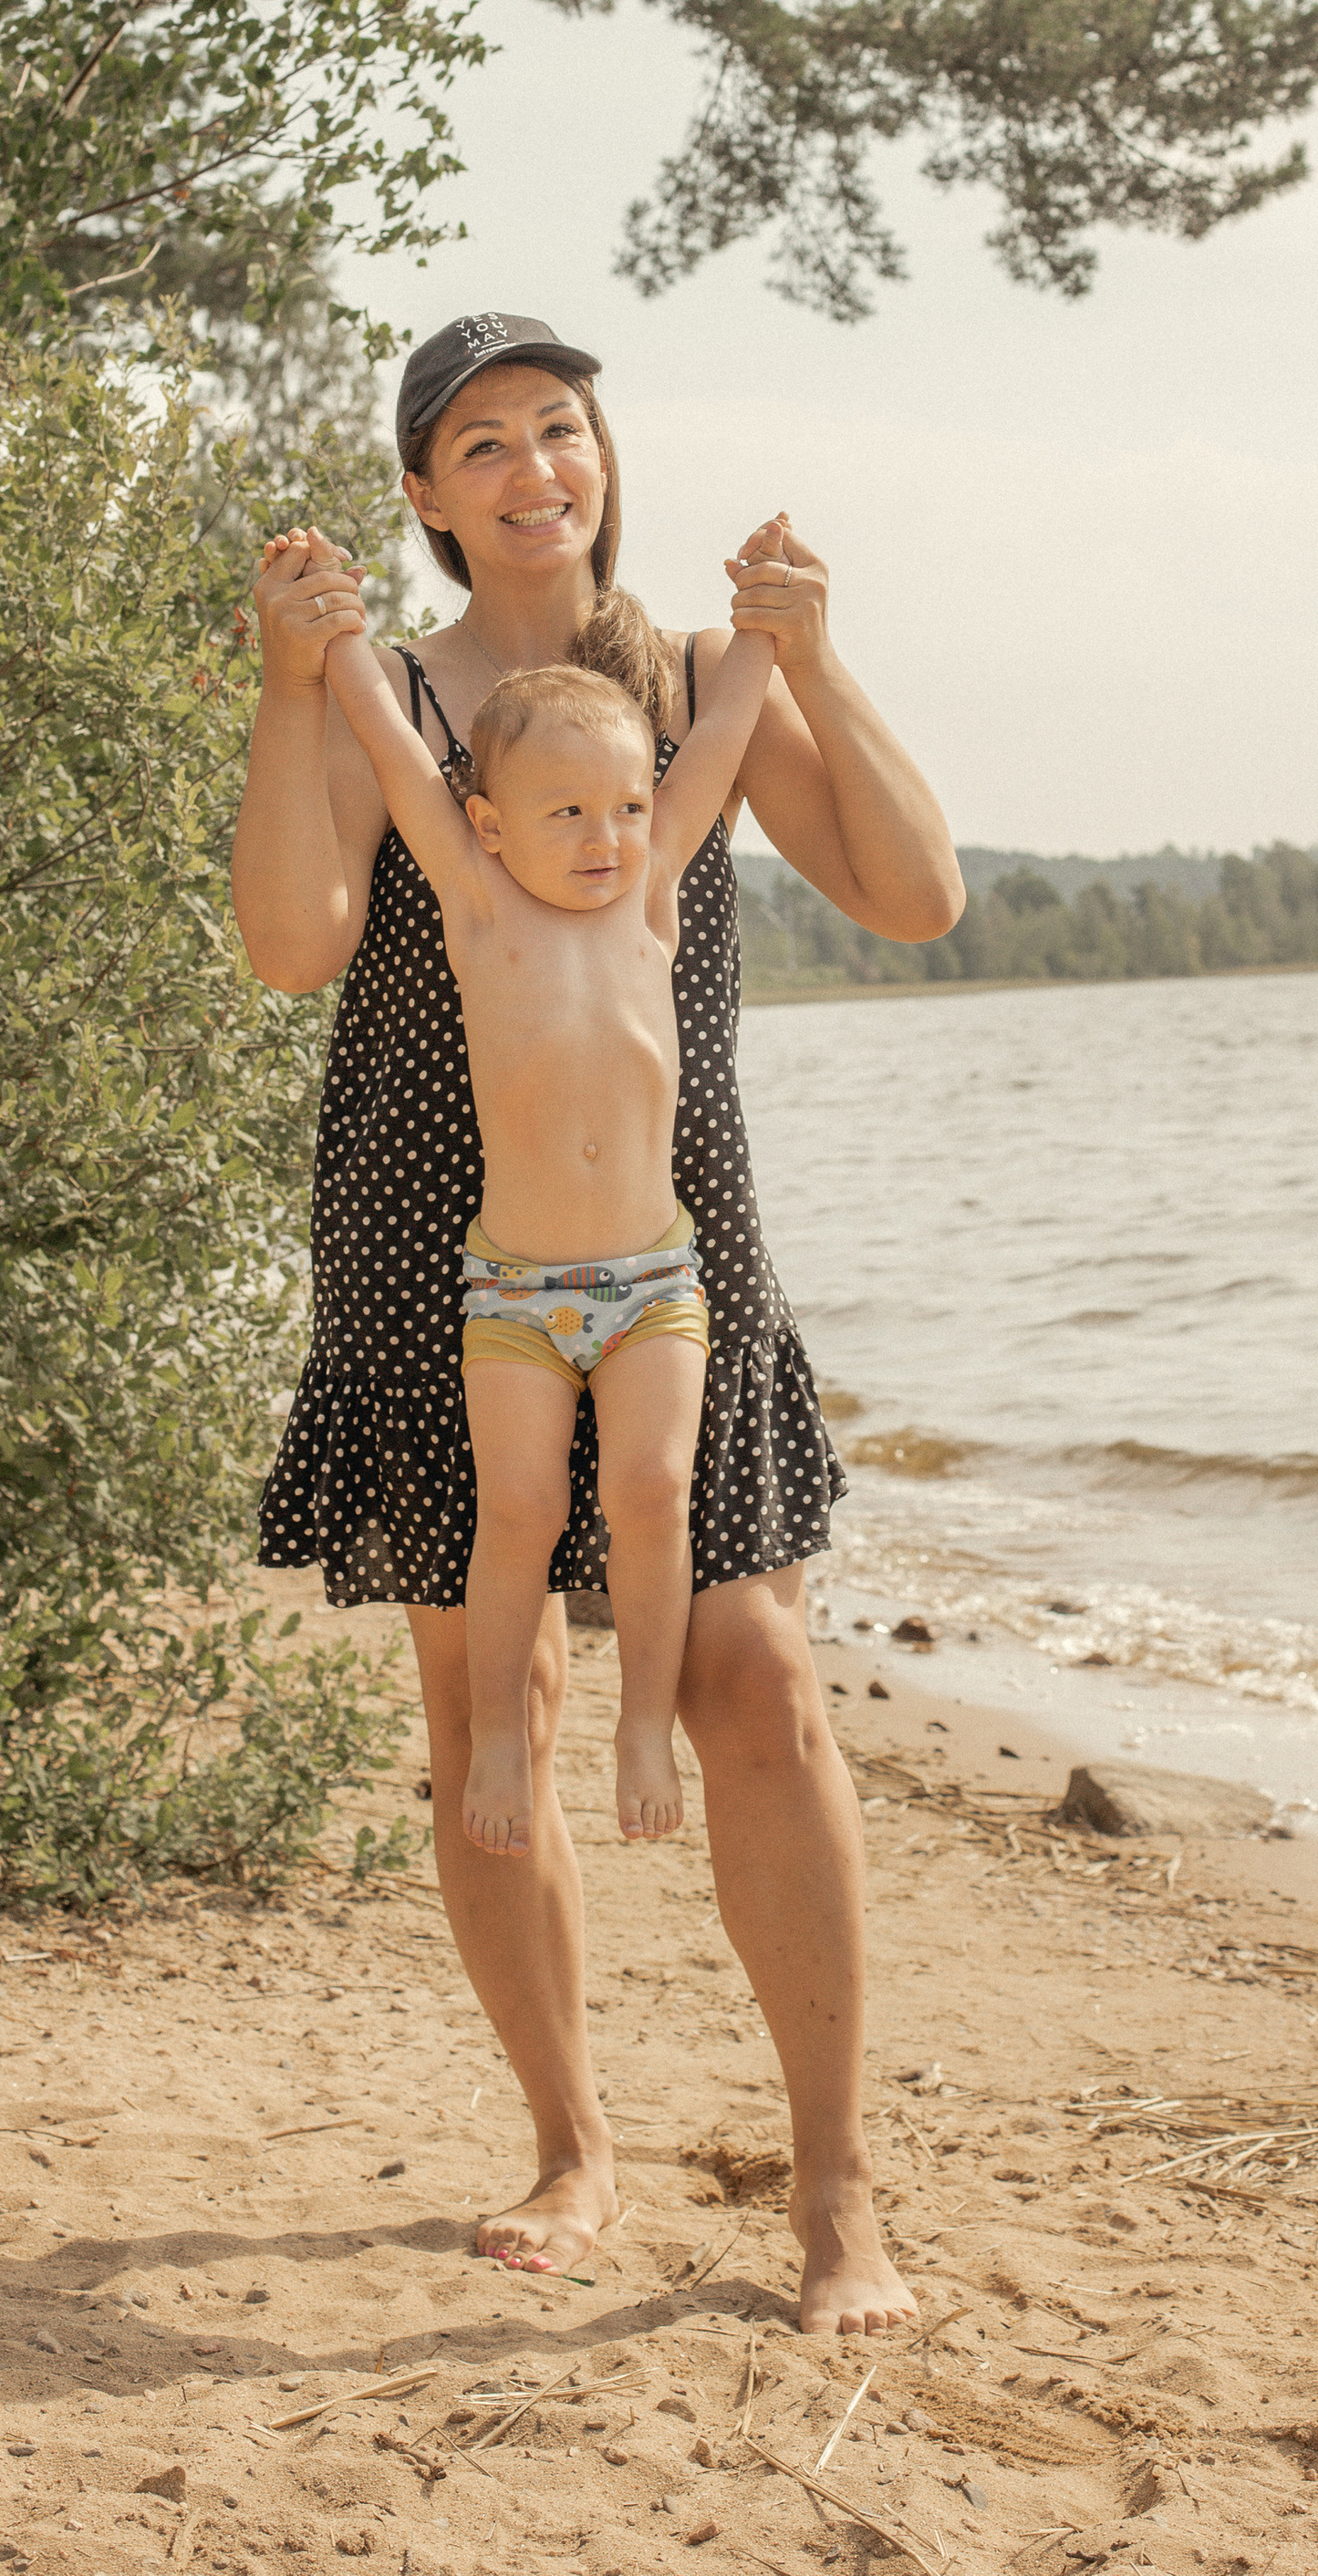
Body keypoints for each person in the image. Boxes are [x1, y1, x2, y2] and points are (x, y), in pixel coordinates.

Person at [231, 308, 963, 2334]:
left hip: (667, 1238)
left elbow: (915, 897)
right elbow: (295, 947)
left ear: (599, 454)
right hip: (420, 1235)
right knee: (492, 1718)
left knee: (757, 1688)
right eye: (481, 442)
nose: (533, 465)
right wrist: (295, 693)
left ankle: (834, 2194)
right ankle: (570, 2141)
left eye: (560, 427)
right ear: (424, 495)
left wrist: (806, 652)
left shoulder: (689, 685)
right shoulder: (389, 691)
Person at [281, 521, 783, 1857]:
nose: (611, 835)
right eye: (568, 813)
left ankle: (642, 1723)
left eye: (626, 806)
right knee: (516, 1512)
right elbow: (397, 751)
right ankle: (501, 1726)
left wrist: (773, 628)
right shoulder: (477, 901)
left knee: (656, 1492)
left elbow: (722, 739)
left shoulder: (654, 892)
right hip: (509, 1288)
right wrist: (328, 648)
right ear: (493, 828)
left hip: (655, 1282)